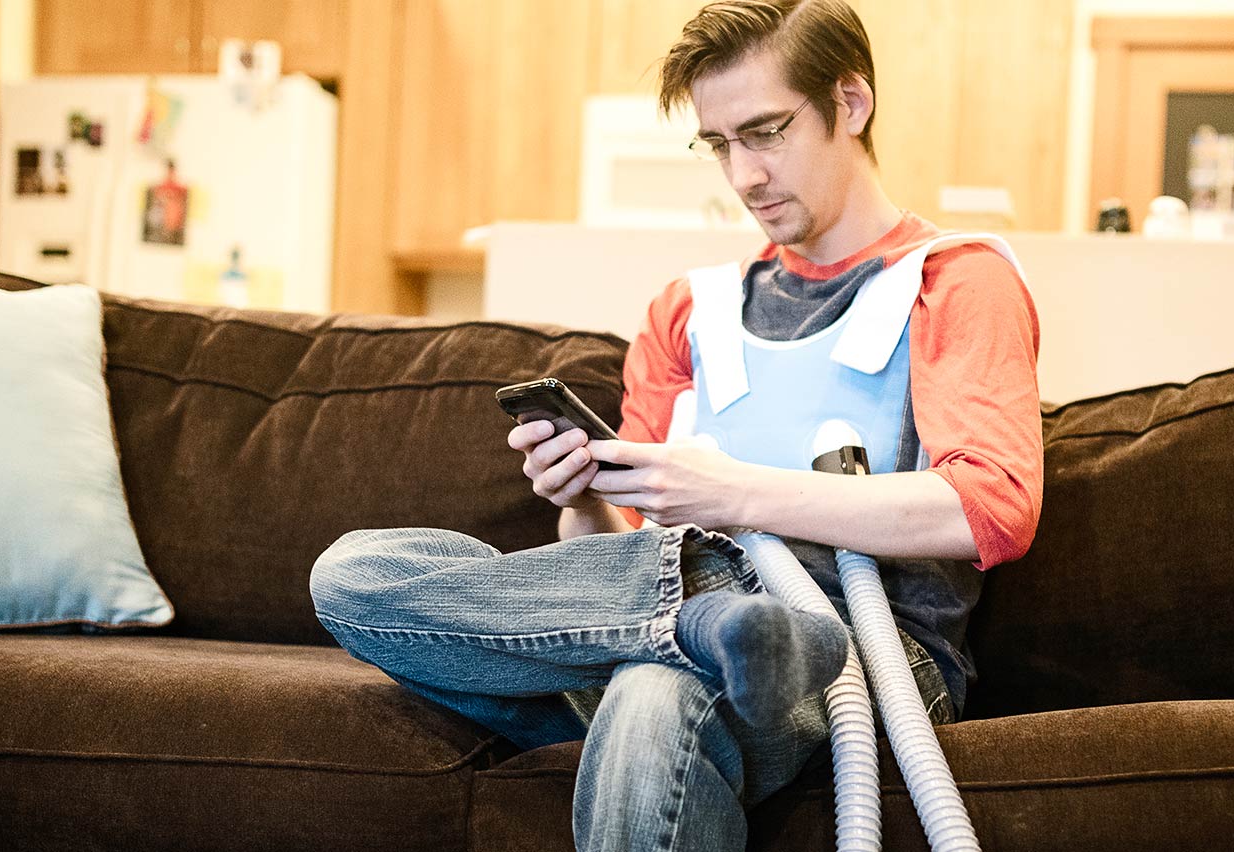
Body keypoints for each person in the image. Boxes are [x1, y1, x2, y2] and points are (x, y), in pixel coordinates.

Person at [309, 1, 1043, 849]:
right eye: (718, 144)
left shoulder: (955, 281)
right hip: (657, 634)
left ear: (850, 103)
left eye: (765, 133)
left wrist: (735, 495)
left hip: (861, 656)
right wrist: (583, 500)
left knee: (653, 696)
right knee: (354, 574)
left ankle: (707, 628)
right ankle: (698, 619)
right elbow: (618, 543)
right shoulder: (688, 311)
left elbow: (990, 508)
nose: (744, 176)